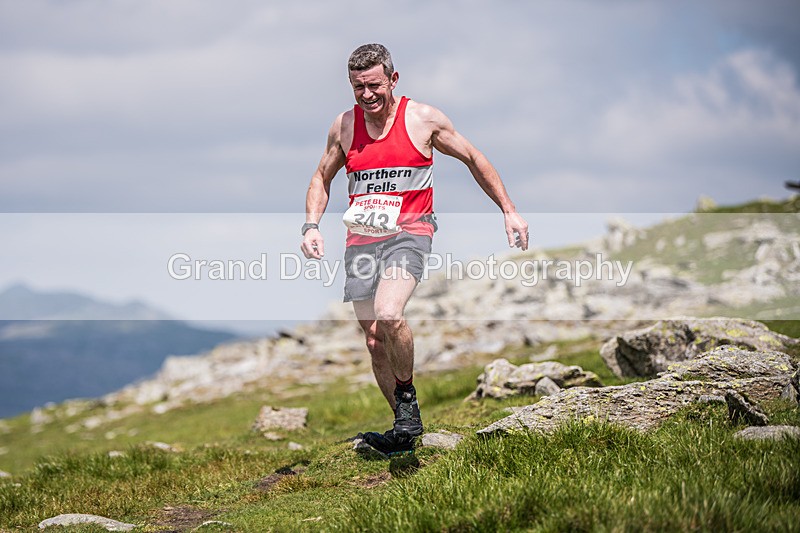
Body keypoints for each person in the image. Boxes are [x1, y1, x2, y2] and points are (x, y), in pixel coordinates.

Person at [301, 43, 529, 455]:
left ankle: (406, 397)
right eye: (358, 87)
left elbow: (473, 157)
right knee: (374, 339)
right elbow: (321, 176)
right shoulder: (344, 126)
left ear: (393, 79)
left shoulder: (422, 119)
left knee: (389, 314)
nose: (367, 95)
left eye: (374, 85)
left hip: (410, 232)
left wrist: (508, 211)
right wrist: (311, 225)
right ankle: (405, 428)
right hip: (361, 240)